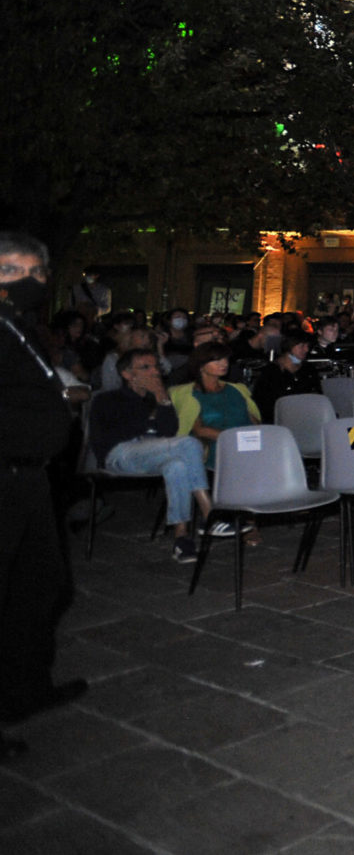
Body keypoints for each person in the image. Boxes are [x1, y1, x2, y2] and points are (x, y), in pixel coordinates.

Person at [1, 231, 87, 747]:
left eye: (36, 272)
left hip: (31, 478)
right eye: (12, 271)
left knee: (42, 586)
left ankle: (24, 689)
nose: (28, 281)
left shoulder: (19, 328)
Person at [89, 349, 221, 563]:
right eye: (145, 368)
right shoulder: (108, 398)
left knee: (177, 466)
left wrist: (162, 400)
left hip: (152, 454)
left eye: (156, 367)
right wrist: (151, 416)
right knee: (188, 443)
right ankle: (210, 513)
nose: (155, 373)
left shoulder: (158, 398)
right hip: (120, 454)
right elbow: (120, 433)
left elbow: (168, 432)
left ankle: (181, 538)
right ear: (127, 374)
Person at [169, 341, 262, 461]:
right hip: (215, 447)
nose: (224, 363)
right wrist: (234, 439)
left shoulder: (237, 389)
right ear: (201, 365)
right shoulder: (187, 394)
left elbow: (254, 421)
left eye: (225, 359)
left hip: (248, 444)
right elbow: (199, 430)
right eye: (217, 360)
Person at [250, 330, 322, 411]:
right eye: (302, 346)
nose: (306, 350)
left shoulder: (308, 369)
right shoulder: (271, 372)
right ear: (289, 346)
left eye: (307, 346)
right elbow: (263, 402)